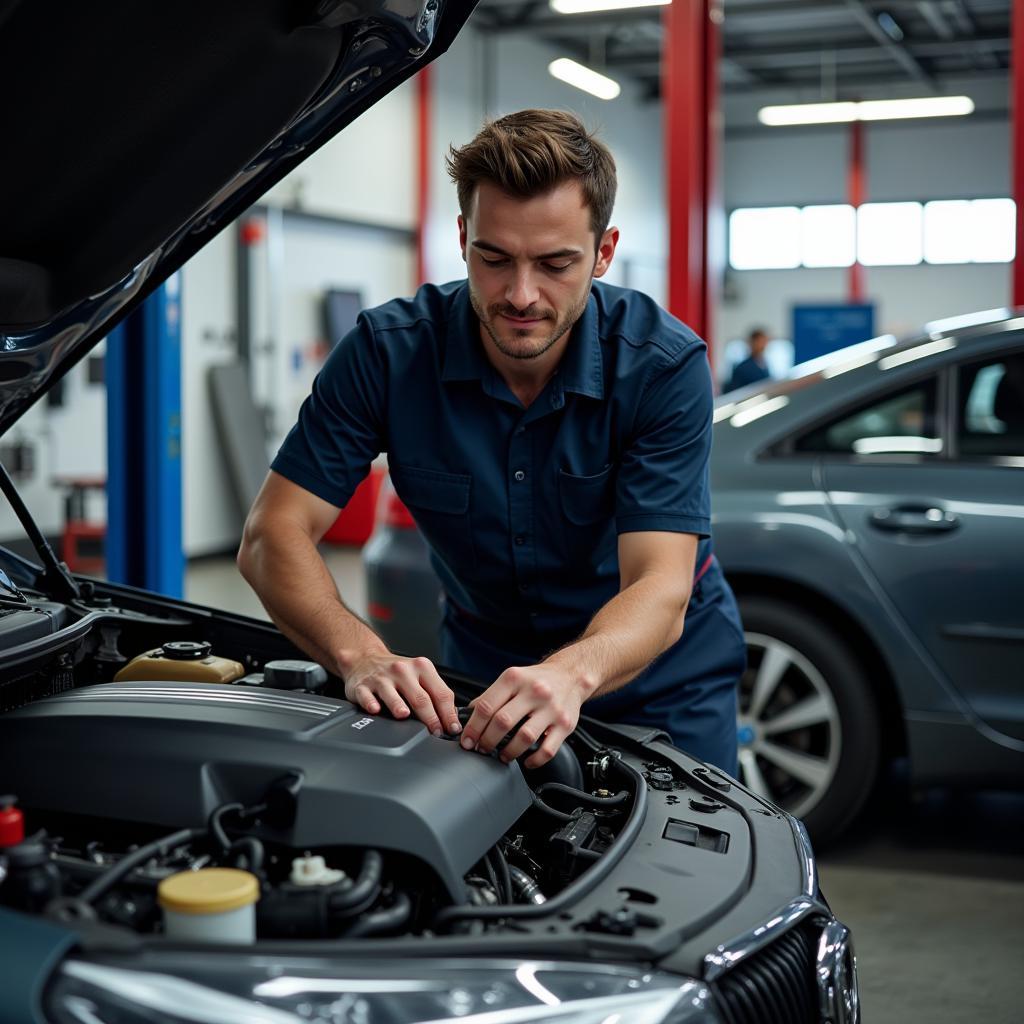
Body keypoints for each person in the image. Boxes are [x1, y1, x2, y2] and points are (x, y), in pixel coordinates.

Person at [238, 109, 745, 775]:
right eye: (494, 258)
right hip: (485, 673)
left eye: (556, 263)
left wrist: (570, 674)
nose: (521, 294)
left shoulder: (661, 367)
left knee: (687, 870)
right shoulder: (387, 355)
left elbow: (660, 583)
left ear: (604, 251)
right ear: (461, 237)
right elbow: (272, 534)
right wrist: (359, 652)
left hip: (659, 680)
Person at [725, 327, 771, 392]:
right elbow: (735, 392)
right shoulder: (742, 368)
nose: (763, 345)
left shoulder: (765, 365)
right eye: (759, 342)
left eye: (764, 342)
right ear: (752, 343)